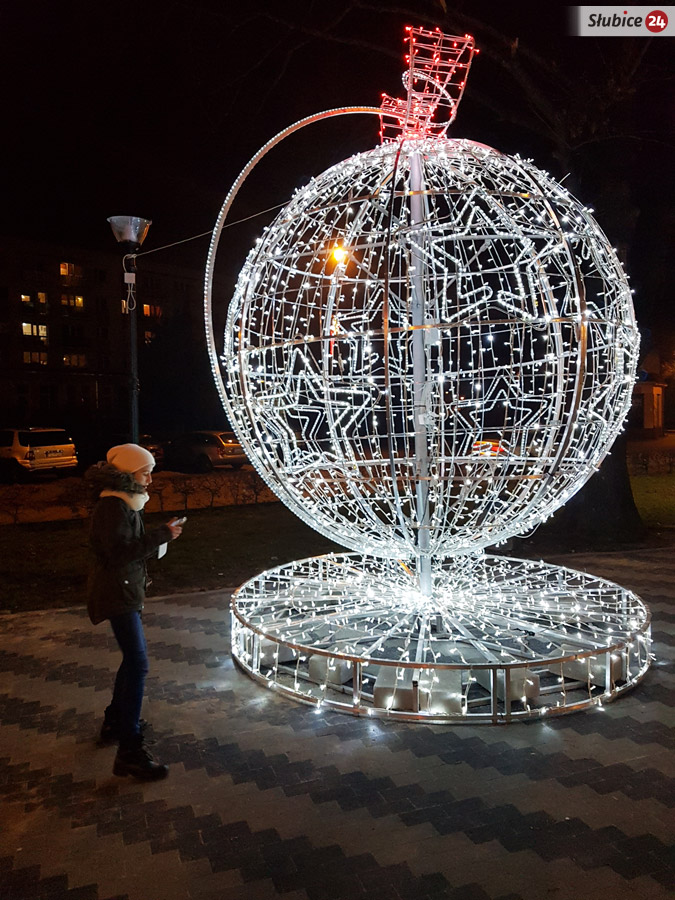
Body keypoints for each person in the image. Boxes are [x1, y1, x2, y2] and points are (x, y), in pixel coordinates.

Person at [85, 443, 183, 780]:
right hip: (117, 593)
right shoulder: (112, 506)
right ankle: (129, 751)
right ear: (128, 473)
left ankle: (116, 721)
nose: (150, 479)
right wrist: (160, 535)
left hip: (126, 590)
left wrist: (160, 538)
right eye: (145, 472)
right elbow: (117, 554)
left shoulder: (126, 501)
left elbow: (127, 549)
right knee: (138, 663)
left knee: (132, 660)